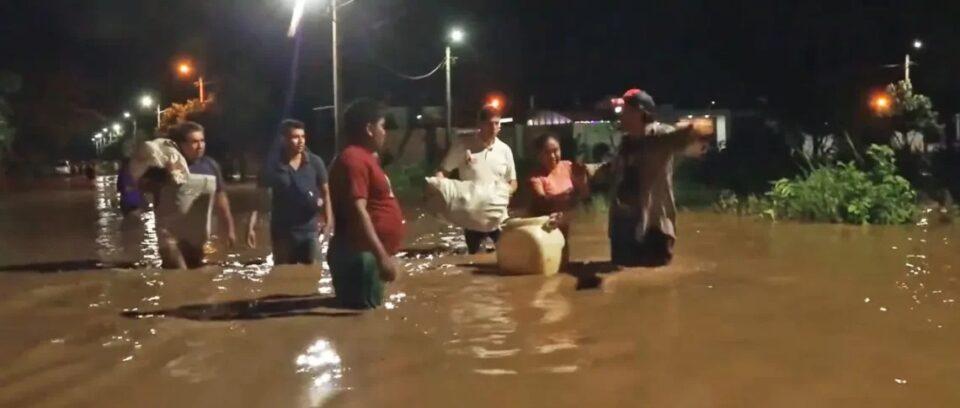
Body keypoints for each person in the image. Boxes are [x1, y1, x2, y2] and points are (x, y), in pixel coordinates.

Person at [608, 88, 714, 267]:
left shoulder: (662, 137)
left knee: (654, 286)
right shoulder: (625, 142)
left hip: (654, 226)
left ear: (640, 113)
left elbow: (702, 129)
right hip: (623, 226)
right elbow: (610, 170)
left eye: (625, 111)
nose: (621, 116)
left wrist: (689, 127)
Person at [327, 99, 405, 309]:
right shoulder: (353, 159)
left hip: (366, 257)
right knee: (363, 325)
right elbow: (357, 211)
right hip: (361, 259)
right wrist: (381, 257)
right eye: (382, 126)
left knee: (369, 320)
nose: (385, 132)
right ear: (369, 129)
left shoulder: (365, 159)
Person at [148, 121, 237, 268]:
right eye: (194, 142)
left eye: (202, 141)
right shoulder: (165, 165)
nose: (200, 146)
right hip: (170, 237)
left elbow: (221, 200)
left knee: (195, 277)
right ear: (181, 145)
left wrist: (229, 229)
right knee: (179, 275)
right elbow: (140, 184)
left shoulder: (211, 166)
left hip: (197, 238)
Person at [246, 119, 333, 265]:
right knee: (283, 274)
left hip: (310, 231)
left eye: (303, 137)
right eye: (295, 137)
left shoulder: (315, 162)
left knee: (314, 272)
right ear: (284, 140)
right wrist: (250, 227)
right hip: (283, 232)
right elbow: (259, 198)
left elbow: (326, 193)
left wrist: (328, 221)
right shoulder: (272, 166)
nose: (300, 141)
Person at [435, 105, 517, 254]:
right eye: (489, 123)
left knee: (505, 256)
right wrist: (437, 187)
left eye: (497, 123)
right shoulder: (463, 145)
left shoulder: (505, 150)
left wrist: (506, 193)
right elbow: (443, 171)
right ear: (480, 125)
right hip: (472, 217)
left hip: (498, 217)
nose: (494, 127)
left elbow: (513, 182)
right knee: (475, 260)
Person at [527, 132, 590, 265]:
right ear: (539, 155)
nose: (553, 156)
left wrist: (583, 181)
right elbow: (542, 201)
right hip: (546, 233)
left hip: (568, 229)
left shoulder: (568, 166)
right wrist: (564, 196)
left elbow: (584, 195)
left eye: (556, 151)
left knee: (567, 266)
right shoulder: (535, 177)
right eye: (547, 152)